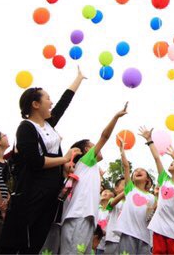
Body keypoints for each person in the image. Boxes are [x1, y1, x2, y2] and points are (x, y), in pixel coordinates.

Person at [0, 68, 85, 254]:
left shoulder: (49, 125)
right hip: (31, 192)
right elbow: (34, 162)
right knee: (16, 242)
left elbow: (64, 102)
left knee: (36, 242)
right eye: (47, 99)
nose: (51, 103)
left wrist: (78, 79)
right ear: (36, 104)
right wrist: (64, 158)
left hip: (50, 191)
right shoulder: (26, 128)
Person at [58, 104, 128, 255]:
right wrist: (116, 117)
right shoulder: (86, 161)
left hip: (86, 217)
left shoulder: (90, 168)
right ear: (86, 150)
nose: (98, 147)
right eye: (93, 146)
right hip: (78, 216)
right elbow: (105, 136)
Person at [138, 127, 174, 255]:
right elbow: (157, 158)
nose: (172, 161)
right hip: (159, 229)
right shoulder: (164, 179)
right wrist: (149, 140)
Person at [113, 135, 155, 255]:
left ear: (148, 180)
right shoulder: (130, 188)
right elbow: (126, 166)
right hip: (128, 233)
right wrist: (122, 150)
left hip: (144, 237)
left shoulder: (152, 197)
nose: (138, 171)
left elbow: (150, 215)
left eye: (142, 171)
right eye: (136, 171)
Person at [103, 178, 125, 254]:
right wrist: (127, 189)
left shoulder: (130, 202)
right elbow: (111, 205)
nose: (128, 186)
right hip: (112, 238)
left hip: (126, 239)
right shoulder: (112, 200)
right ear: (116, 188)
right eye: (125, 185)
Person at [94, 189, 114, 254]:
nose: (105, 192)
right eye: (104, 191)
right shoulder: (97, 209)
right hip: (94, 244)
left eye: (108, 191)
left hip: (106, 245)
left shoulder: (112, 211)